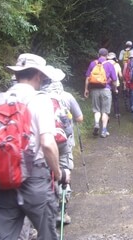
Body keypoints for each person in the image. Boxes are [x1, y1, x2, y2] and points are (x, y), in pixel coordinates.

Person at [0, 53, 70, 240]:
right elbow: (47, 143)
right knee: (47, 233)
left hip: (2, 179)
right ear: (38, 75)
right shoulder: (40, 100)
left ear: (17, 74)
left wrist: (1, 169)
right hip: (34, 179)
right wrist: (59, 174)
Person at [43, 67, 83, 227]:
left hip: (44, 143)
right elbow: (79, 118)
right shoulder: (67, 96)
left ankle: (45, 212)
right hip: (64, 142)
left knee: (46, 174)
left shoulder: (39, 97)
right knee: (64, 174)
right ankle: (62, 212)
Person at [84, 48, 117, 138]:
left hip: (94, 90)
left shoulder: (92, 64)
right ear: (107, 56)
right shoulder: (110, 65)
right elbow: (114, 80)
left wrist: (86, 89)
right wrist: (115, 89)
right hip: (106, 89)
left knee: (96, 110)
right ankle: (104, 130)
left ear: (98, 55)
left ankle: (96, 124)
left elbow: (87, 78)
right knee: (105, 111)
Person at [107, 52, 123, 118]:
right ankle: (117, 113)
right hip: (116, 84)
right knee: (115, 99)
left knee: (107, 99)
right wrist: (122, 80)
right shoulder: (117, 65)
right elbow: (120, 75)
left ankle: (106, 114)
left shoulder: (104, 64)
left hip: (107, 85)